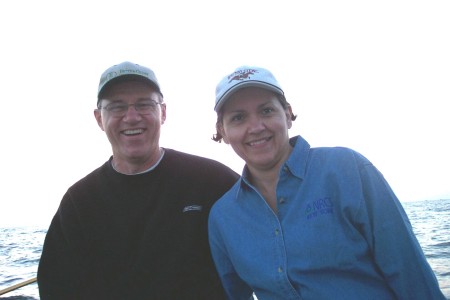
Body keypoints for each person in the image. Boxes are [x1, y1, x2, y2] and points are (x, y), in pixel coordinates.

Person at [208, 66, 446, 299]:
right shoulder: (223, 217)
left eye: (267, 111)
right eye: (238, 118)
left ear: (288, 114)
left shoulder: (347, 169)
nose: (256, 127)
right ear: (223, 131)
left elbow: (409, 271)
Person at [37, 61, 239, 299]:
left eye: (144, 104)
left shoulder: (214, 180)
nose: (131, 117)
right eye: (116, 107)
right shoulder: (78, 202)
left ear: (163, 112)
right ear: (99, 119)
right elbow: (56, 287)